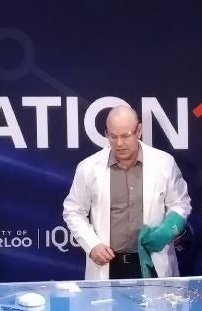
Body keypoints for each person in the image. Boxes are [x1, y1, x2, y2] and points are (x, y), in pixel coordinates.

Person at [63, 105, 191, 280]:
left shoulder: (164, 163)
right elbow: (73, 211)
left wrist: (167, 229)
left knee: (158, 307)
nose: (119, 143)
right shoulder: (88, 168)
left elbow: (180, 203)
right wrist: (92, 245)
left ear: (139, 131)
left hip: (153, 262)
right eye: (113, 136)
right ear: (106, 133)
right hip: (109, 265)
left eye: (125, 135)